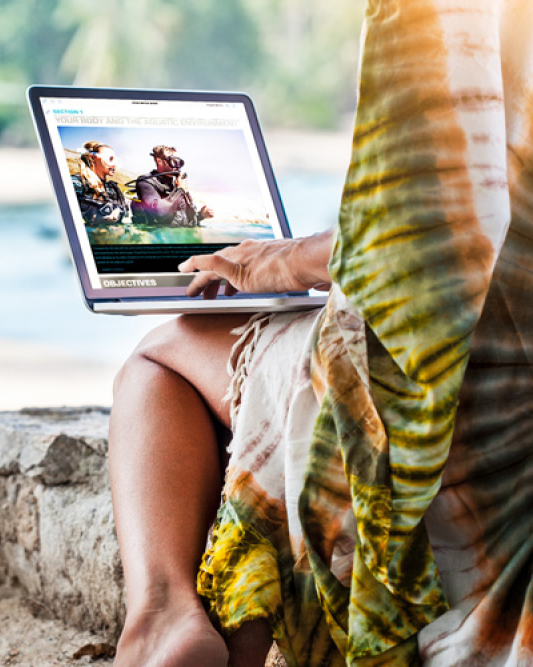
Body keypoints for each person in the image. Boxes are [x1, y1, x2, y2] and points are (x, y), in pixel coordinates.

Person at [109, 1, 533, 666]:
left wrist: (279, 260)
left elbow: (429, 242)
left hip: (460, 439)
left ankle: (164, 616)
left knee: (164, 352)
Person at [131, 145, 213, 227]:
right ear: (159, 161)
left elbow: (183, 219)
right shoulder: (146, 182)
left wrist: (201, 215)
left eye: (178, 161)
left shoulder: (177, 183)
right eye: (172, 160)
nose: (176, 165)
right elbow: (159, 213)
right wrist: (180, 191)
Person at [71, 141, 128, 225]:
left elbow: (125, 210)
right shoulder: (76, 184)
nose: (114, 164)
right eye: (110, 159)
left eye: (116, 160)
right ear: (92, 158)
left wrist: (118, 211)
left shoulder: (112, 188)